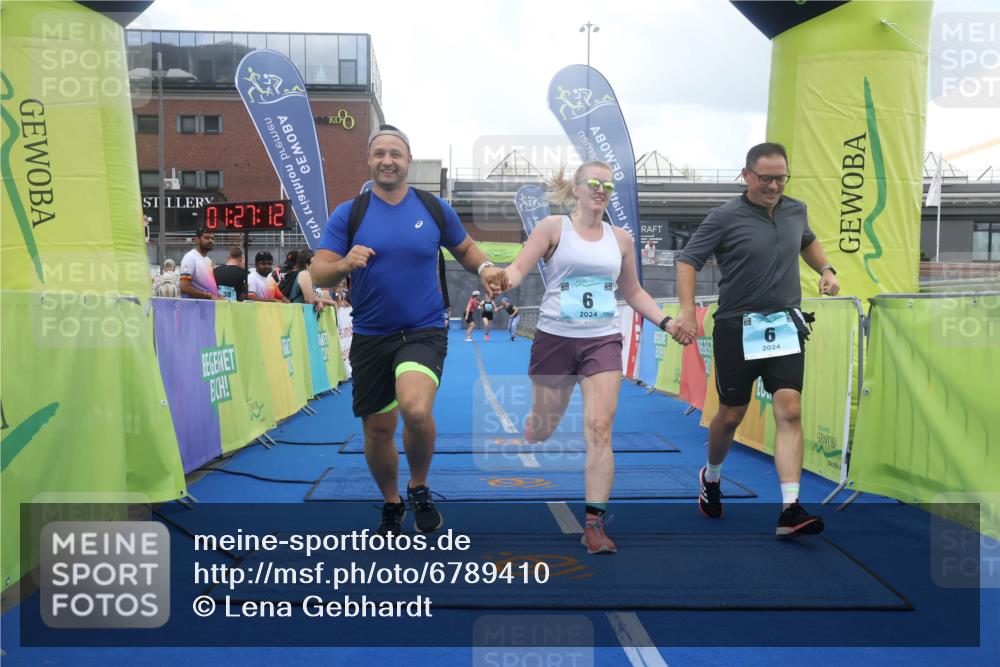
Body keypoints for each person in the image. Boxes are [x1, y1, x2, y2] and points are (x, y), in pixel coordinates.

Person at [310, 123, 506, 537]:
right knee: (378, 429)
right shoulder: (351, 213)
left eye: (395, 154)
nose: (387, 160)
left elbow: (466, 249)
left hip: (423, 330)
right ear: (369, 159)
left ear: (408, 161)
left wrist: (486, 266)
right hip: (370, 335)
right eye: (379, 153)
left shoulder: (433, 209)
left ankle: (418, 486)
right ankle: (391, 502)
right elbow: (318, 270)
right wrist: (344, 264)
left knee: (415, 409)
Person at [497, 160, 689, 554]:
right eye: (595, 183)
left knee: (600, 428)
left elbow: (633, 292)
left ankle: (594, 523)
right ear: (577, 188)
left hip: (601, 341)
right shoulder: (553, 228)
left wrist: (667, 322)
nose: (602, 190)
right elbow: (518, 268)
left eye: (608, 185)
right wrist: (503, 280)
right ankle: (536, 423)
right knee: (543, 429)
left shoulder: (620, 239)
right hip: (555, 338)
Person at [673, 142, 840, 537]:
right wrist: (685, 311)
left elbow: (807, 241)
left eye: (781, 177)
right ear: (746, 175)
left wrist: (827, 268)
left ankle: (790, 508)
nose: (773, 185)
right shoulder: (724, 216)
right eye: (765, 178)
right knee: (731, 414)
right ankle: (711, 476)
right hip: (736, 325)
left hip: (784, 324)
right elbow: (688, 260)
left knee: (790, 409)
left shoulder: (796, 209)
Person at [179, 229, 222, 300]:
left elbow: (207, 286)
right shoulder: (190, 258)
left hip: (208, 307)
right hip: (194, 308)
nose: (210, 240)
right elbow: (184, 287)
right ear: (197, 240)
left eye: (212, 238)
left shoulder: (208, 260)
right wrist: (209, 296)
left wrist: (218, 295)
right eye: (206, 238)